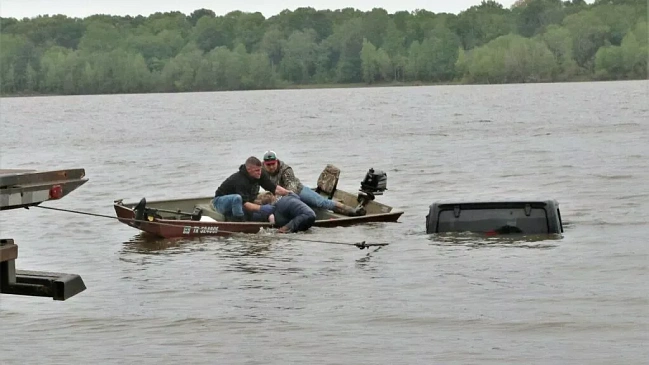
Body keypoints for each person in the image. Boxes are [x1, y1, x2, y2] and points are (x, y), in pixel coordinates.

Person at [261, 150, 365, 216]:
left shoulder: (286, 170)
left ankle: (351, 210)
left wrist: (276, 200)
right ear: (264, 163)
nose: (271, 167)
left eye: (273, 164)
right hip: (280, 195)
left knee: (321, 202)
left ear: (277, 161)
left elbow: (291, 189)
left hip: (298, 191)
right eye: (268, 164)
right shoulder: (260, 171)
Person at [212, 156, 290, 221]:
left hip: (244, 202)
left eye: (260, 169)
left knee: (267, 199)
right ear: (249, 170)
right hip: (220, 202)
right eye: (257, 170)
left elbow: (274, 188)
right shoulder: (240, 180)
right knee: (237, 199)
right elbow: (245, 204)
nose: (260, 172)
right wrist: (261, 208)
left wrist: (288, 193)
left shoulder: (260, 174)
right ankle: (238, 221)